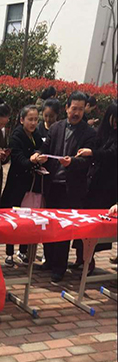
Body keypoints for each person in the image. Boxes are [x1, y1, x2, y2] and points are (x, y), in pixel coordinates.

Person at [37, 91, 96, 283]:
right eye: (74, 108)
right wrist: (38, 155)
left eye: (81, 109)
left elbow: (87, 162)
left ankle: (59, 267)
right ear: (67, 108)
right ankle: (49, 259)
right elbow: (45, 148)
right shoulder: (56, 127)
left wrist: (72, 163)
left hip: (71, 188)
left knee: (63, 228)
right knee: (48, 224)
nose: (77, 113)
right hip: (52, 184)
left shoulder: (89, 133)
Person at [72, 101, 117, 272]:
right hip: (90, 183)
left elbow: (112, 154)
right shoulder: (101, 132)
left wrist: (93, 153)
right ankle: (80, 258)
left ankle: (89, 261)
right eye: (114, 119)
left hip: (106, 187)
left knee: (96, 226)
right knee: (83, 222)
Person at [1, 105, 48, 266]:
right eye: (30, 119)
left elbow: (42, 147)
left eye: (36, 119)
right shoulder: (16, 136)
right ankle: (9, 253)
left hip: (31, 185)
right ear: (22, 120)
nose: (33, 123)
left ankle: (23, 250)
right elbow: (19, 160)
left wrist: (39, 155)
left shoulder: (36, 134)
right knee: (12, 218)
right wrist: (32, 160)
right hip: (16, 184)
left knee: (27, 217)